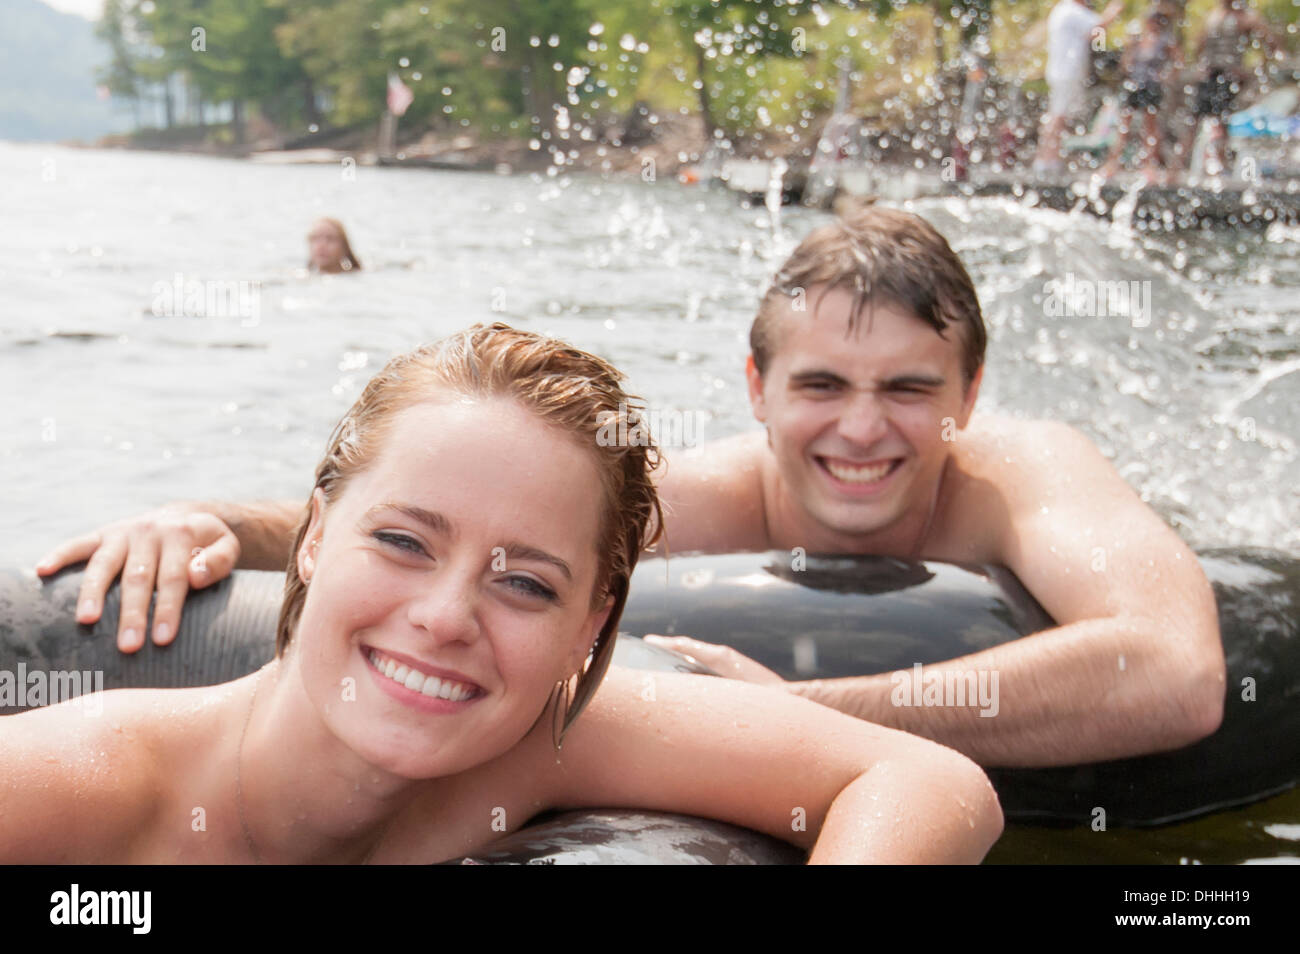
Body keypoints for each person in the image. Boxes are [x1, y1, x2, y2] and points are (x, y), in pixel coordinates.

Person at [39, 205, 1226, 770]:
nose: (862, 431)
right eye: (820, 384)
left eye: (909, 389)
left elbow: (1175, 673)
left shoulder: (1027, 470)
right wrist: (211, 523)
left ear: (970, 391)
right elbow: (454, 530)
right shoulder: (699, 495)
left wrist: (822, 713)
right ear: (754, 386)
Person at [4, 324, 1002, 864]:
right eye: (401, 541)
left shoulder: (542, 745)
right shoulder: (75, 790)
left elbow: (929, 783)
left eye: (525, 582)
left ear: (592, 625)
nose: (444, 618)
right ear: (312, 540)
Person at [1182, 0, 1284, 176]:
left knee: (1220, 120)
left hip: (1229, 75)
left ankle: (1219, 163)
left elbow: (1272, 45)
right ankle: (1184, 165)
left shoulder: (1245, 17)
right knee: (1194, 120)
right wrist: (1200, 66)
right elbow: (1200, 44)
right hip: (1209, 74)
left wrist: (1255, 69)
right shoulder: (1214, 15)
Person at [1033, 0, 1124, 175]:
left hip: (1063, 71)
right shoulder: (1071, 10)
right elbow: (1097, 30)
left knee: (1059, 115)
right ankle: (1046, 159)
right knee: (1058, 116)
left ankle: (1050, 157)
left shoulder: (1063, 9)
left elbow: (1098, 39)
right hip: (1067, 71)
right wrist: (1113, 10)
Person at [1100, 12, 1184, 183]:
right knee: (1124, 125)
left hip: (1152, 86)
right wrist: (1129, 51)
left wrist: (1167, 77)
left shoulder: (1165, 41)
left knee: (1150, 126)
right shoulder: (1138, 39)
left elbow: (1179, 61)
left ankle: (1149, 165)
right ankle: (1113, 163)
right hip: (1134, 84)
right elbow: (1125, 62)